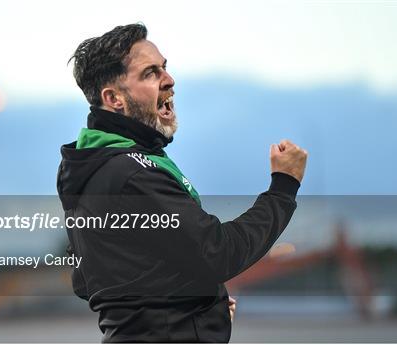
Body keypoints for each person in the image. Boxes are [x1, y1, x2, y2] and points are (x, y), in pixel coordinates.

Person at [56, 23, 307, 343]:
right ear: (114, 98)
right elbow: (219, 253)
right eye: (150, 73)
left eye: (164, 68)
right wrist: (284, 186)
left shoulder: (91, 166)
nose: (169, 80)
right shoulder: (132, 174)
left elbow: (96, 280)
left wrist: (201, 309)